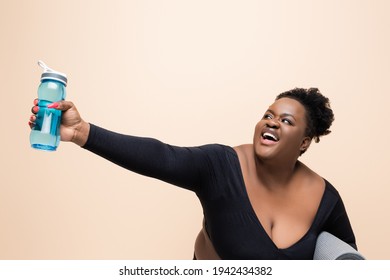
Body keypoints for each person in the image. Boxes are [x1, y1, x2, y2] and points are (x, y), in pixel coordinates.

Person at [28, 87, 357, 259]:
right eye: (267, 114)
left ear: (303, 142)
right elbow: (162, 157)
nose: (271, 122)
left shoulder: (324, 199)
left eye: (286, 120)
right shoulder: (221, 165)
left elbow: (347, 261)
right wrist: (83, 132)